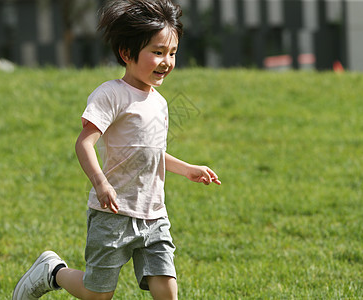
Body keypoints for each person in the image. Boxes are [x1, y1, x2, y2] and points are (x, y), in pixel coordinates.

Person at [12, 0, 220, 299]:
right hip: (113, 214)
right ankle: (52, 272)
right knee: (97, 294)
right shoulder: (111, 94)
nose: (167, 61)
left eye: (172, 53)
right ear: (126, 53)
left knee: (167, 290)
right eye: (158, 52)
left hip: (153, 214)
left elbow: (149, 153)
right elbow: (83, 143)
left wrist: (188, 169)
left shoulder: (159, 102)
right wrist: (101, 183)